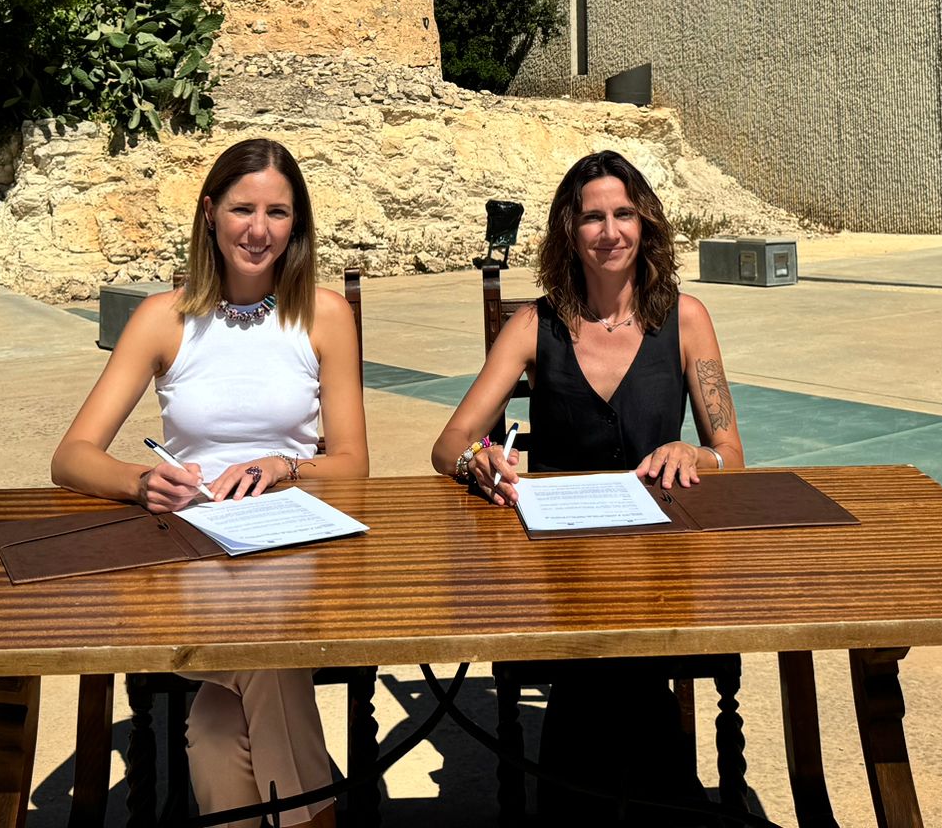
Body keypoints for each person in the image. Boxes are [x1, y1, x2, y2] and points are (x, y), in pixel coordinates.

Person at [52, 137, 366, 828]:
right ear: (210, 215)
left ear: (296, 224)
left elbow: (351, 463)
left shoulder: (326, 317)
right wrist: (143, 482)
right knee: (266, 665)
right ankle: (316, 819)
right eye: (242, 209)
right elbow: (72, 455)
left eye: (278, 213)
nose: (259, 229)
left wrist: (289, 464)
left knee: (220, 734)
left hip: (293, 551)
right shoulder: (163, 318)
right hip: (196, 553)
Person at [430, 149, 745, 823]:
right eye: (593, 217)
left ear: (646, 224)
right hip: (562, 561)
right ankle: (665, 804)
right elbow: (449, 444)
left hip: (660, 559)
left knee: (604, 668)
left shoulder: (685, 319)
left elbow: (731, 454)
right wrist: (481, 460)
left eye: (624, 214)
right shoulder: (532, 326)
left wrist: (696, 453)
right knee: (611, 660)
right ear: (568, 233)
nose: (610, 231)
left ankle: (581, 807)